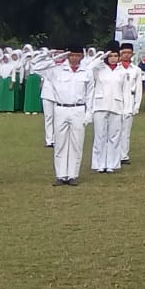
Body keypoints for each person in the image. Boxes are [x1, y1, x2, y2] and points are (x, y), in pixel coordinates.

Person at [44, 46, 94, 186]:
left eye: (77, 55)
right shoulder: (57, 70)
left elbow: (90, 94)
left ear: (81, 56)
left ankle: (72, 175)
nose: (74, 58)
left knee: (76, 143)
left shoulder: (86, 71)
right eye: (71, 55)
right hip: (61, 108)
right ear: (67, 55)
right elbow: (37, 66)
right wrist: (54, 58)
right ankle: (61, 175)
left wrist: (89, 113)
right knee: (60, 143)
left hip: (78, 109)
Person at [89, 51, 129, 174]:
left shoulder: (122, 72)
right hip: (100, 105)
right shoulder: (99, 69)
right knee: (100, 136)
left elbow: (126, 92)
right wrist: (101, 57)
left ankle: (111, 164)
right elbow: (89, 67)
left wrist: (126, 109)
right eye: (110, 56)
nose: (113, 59)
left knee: (114, 136)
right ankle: (99, 164)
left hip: (116, 106)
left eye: (115, 56)